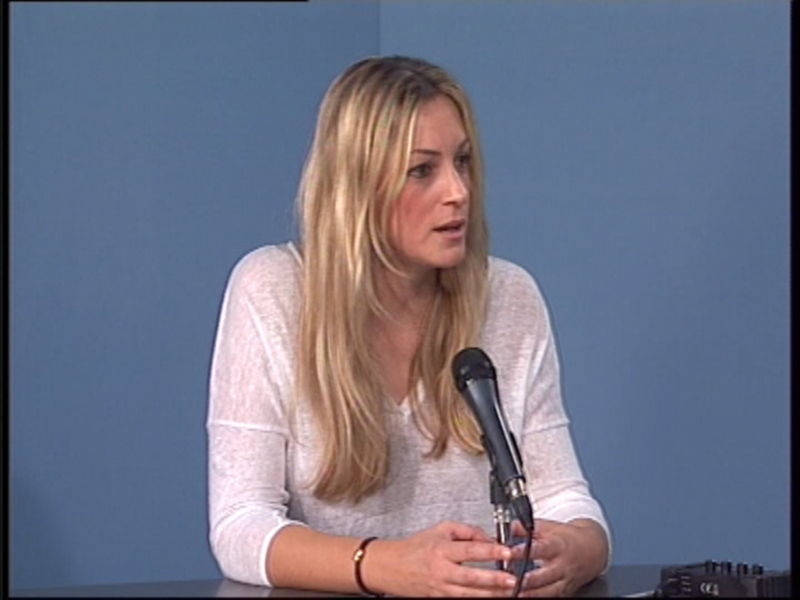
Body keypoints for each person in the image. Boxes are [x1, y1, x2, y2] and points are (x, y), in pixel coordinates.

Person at [207, 55, 611, 597]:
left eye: (463, 162)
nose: (458, 192)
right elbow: (240, 524)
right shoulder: (271, 290)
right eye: (423, 170)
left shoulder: (510, 297)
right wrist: (386, 566)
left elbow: (566, 499)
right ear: (358, 185)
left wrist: (578, 551)